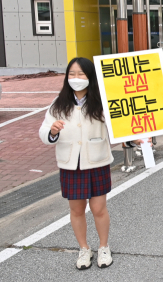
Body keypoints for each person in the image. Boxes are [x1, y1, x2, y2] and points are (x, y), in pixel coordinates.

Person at [39, 57, 115, 269]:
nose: (76, 78)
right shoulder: (58, 104)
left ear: (90, 76)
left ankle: (103, 247)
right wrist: (52, 131)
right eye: (72, 74)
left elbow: (117, 127)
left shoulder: (101, 102)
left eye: (81, 74)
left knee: (99, 208)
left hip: (97, 161)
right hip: (71, 164)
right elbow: (44, 131)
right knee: (77, 210)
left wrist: (134, 138)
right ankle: (84, 249)